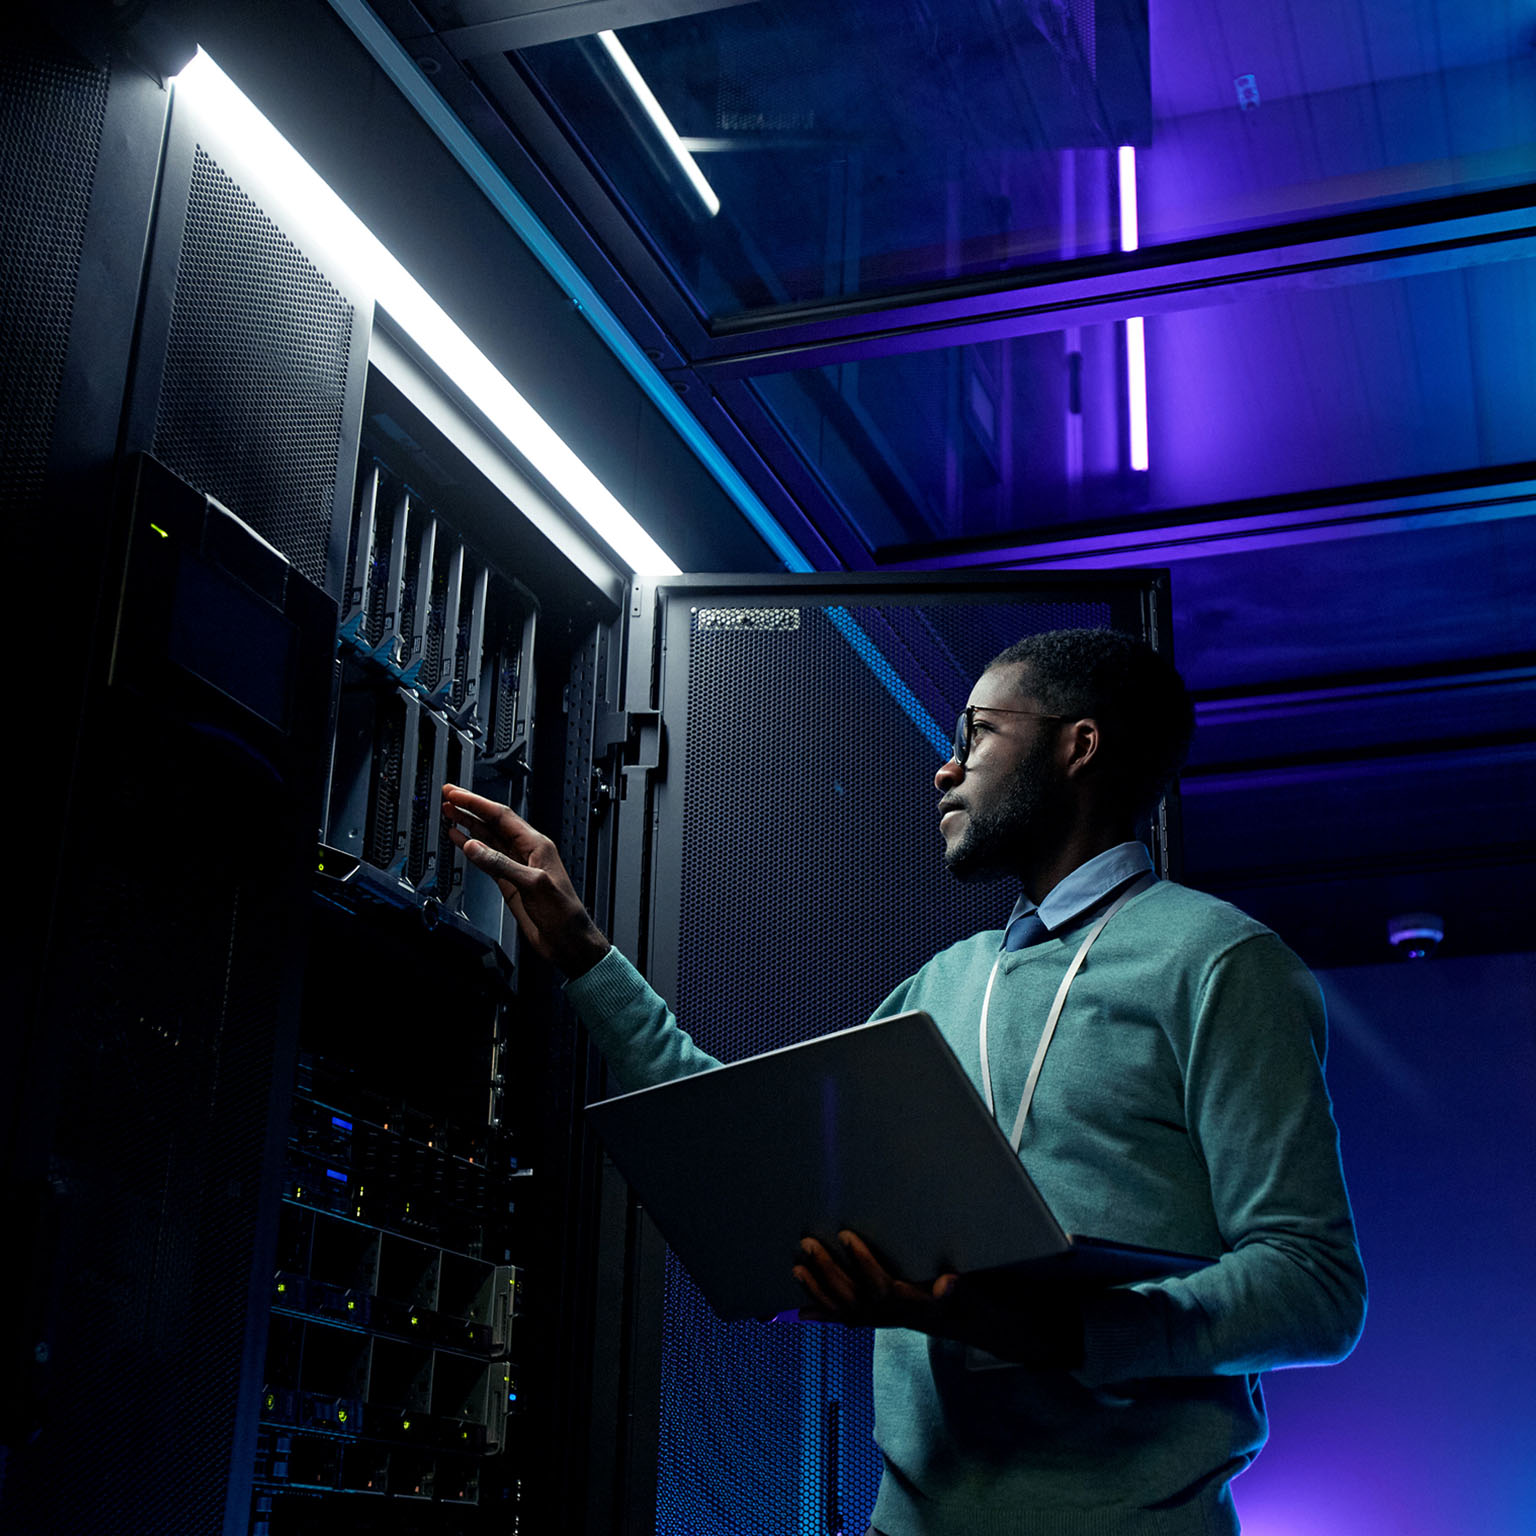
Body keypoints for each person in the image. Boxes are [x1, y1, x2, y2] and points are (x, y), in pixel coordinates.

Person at [442, 627, 1366, 1536]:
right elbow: (755, 1142)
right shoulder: (945, 983)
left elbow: (1313, 1288)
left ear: (1078, 745)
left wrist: (1064, 1332)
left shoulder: (1221, 964)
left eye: (975, 735)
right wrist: (584, 955)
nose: (944, 768)